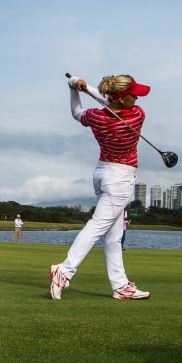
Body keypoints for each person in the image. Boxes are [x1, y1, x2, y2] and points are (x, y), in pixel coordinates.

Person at [49, 74, 153, 302]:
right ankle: (64, 270)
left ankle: (121, 285)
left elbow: (78, 113)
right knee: (97, 227)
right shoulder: (137, 115)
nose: (137, 97)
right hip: (120, 179)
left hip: (102, 173)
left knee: (114, 237)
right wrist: (90, 90)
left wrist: (75, 89)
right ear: (122, 98)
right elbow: (108, 101)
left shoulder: (97, 117)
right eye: (133, 94)